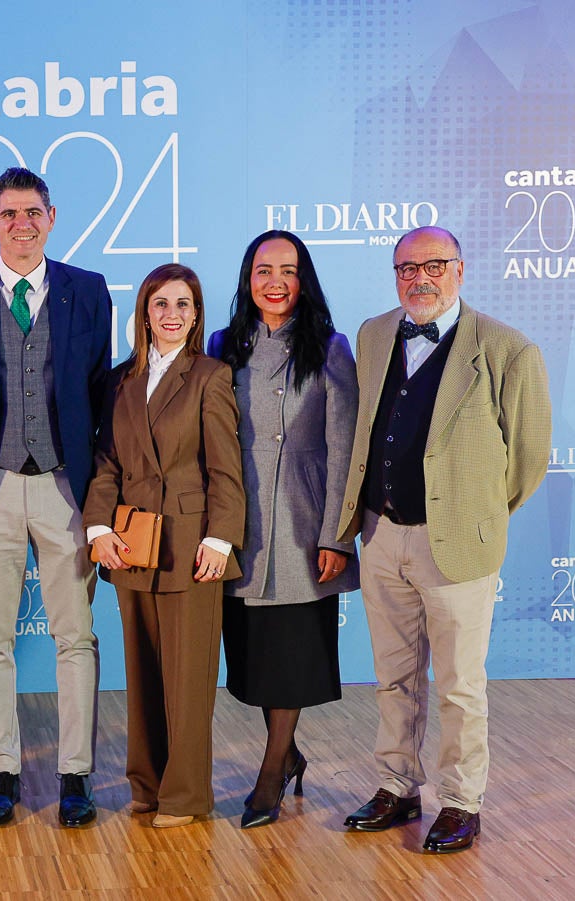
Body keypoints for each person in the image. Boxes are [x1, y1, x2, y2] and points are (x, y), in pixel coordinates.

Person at [337, 226, 552, 853]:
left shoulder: (509, 350)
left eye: (434, 265)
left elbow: (528, 459)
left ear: (460, 270)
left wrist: (475, 516)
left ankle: (461, 801)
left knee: (459, 683)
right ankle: (397, 786)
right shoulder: (374, 335)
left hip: (457, 542)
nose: (419, 278)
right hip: (380, 534)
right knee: (393, 675)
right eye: (406, 268)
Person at [0, 167, 111, 828]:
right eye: (8, 213)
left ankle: (74, 775)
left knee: (76, 637)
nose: (21, 225)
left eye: (32, 212)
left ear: (52, 217)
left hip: (67, 485)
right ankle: (2, 770)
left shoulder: (88, 292)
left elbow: (98, 392)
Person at [84, 263, 244, 829]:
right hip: (132, 545)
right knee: (143, 676)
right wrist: (98, 531)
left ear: (196, 314)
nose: (171, 314)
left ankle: (185, 797)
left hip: (190, 546)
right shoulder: (119, 380)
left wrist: (220, 539)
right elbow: (106, 462)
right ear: (144, 313)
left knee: (188, 681)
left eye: (182, 304)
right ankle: (147, 787)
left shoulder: (211, 376)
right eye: (160, 304)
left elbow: (226, 468)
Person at [208, 231, 359, 829]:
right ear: (248, 278)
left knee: (293, 654)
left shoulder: (330, 346)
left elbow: (344, 448)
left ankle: (271, 773)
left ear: (305, 280)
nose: (275, 281)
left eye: (288, 271)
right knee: (252, 661)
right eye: (263, 269)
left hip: (302, 522)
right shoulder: (223, 345)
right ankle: (288, 752)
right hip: (238, 524)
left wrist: (336, 536)